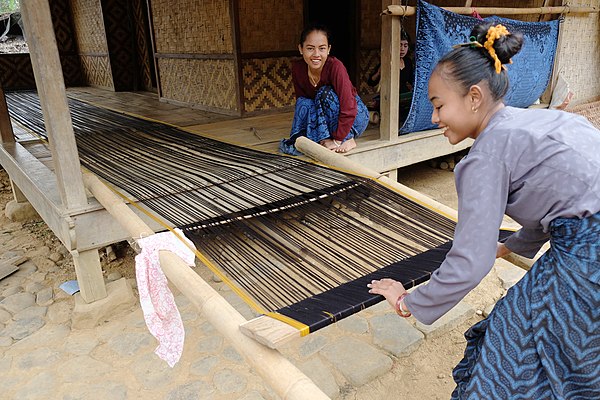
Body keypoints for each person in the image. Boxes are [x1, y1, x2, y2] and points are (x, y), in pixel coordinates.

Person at [367, 22, 600, 399]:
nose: (433, 118)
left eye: (439, 105)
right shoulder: (538, 121)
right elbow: (562, 203)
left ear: (474, 97)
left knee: (511, 350)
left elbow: (471, 262)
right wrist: (506, 246)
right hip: (586, 241)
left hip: (589, 259)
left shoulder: (485, 156)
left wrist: (408, 300)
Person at [279, 24, 369, 155]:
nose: (316, 54)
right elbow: (305, 105)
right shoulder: (298, 69)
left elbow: (349, 106)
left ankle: (348, 139)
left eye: (322, 48)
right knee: (303, 102)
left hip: (355, 118)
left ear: (328, 49)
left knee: (324, 93)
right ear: (301, 49)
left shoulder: (335, 67)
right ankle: (325, 138)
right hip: (327, 119)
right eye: (310, 48)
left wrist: (338, 140)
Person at [366, 29, 415, 123]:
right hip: (389, 97)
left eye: (405, 45)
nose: (402, 49)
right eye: (399, 45)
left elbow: (412, 80)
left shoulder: (408, 62)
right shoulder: (387, 61)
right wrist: (379, 73)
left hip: (404, 96)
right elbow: (371, 82)